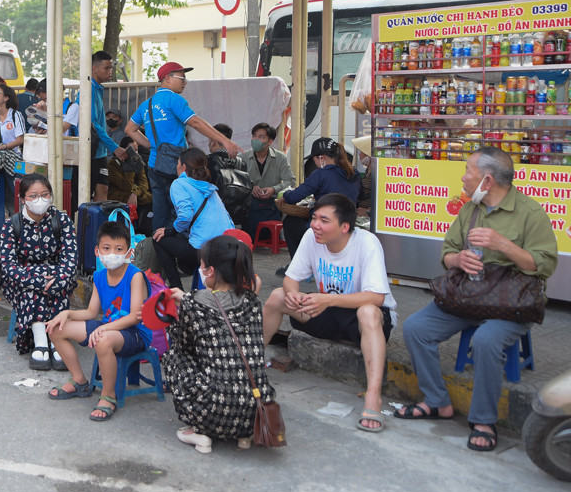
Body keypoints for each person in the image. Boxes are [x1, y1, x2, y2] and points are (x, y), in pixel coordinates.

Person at [395, 146, 557, 453]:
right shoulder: (470, 209)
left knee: (485, 340)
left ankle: (483, 421)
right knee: (416, 328)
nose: (462, 177)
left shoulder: (530, 213)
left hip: (511, 304)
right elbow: (447, 252)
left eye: (467, 171)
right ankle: (436, 401)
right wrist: (459, 260)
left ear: (487, 180)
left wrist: (503, 245)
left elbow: (545, 265)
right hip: (469, 296)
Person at [262, 193, 397, 432]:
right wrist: (293, 293)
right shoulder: (311, 237)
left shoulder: (367, 243)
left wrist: (328, 300)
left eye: (324, 220)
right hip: (325, 312)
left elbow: (377, 297)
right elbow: (291, 279)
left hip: (362, 321)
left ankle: (373, 397)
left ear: (345, 227)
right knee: (277, 297)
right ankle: (248, 365)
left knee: (368, 311)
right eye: (314, 218)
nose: (315, 225)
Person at [162, 235, 274, 452]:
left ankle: (199, 432)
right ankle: (243, 436)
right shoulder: (252, 300)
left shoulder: (193, 302)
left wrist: (177, 313)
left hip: (212, 411)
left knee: (173, 357)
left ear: (210, 271)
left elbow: (183, 345)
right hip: (256, 408)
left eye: (202, 266)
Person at [46, 220, 151, 421]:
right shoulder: (99, 276)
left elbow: (135, 316)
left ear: (129, 253)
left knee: (103, 340)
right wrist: (66, 314)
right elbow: (91, 312)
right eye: (107, 248)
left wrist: (105, 329)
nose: (112, 253)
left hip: (135, 333)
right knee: (56, 330)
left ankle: (108, 396)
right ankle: (79, 381)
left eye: (119, 249)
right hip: (110, 328)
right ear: (97, 251)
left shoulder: (134, 276)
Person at [125, 62, 239, 230]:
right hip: (176, 166)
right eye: (182, 78)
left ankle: (161, 250)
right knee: (179, 211)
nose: (185, 82)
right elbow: (195, 122)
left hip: (154, 165)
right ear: (167, 79)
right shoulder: (174, 99)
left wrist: (152, 146)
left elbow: (130, 129)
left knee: (160, 211)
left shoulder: (146, 105)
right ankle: (179, 249)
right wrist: (224, 140)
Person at [0, 174, 78, 367]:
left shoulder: (62, 220)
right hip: (20, 279)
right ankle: (42, 340)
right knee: (32, 289)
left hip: (56, 274)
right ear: (23, 198)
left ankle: (56, 340)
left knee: (56, 288)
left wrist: (58, 279)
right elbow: (8, 265)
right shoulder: (11, 225)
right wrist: (37, 281)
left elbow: (71, 256)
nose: (40, 200)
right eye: (33, 196)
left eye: (44, 194)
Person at [151, 148, 234, 289]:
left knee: (158, 238)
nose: (176, 167)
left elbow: (185, 215)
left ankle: (176, 288)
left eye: (177, 163)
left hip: (203, 251)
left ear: (183, 167)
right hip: (228, 247)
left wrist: (170, 231)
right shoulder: (210, 187)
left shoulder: (179, 184)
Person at [278, 137, 360, 273]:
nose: (314, 162)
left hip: (327, 227)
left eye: (314, 159)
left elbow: (294, 197)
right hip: (347, 226)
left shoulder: (321, 174)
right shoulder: (354, 173)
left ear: (321, 158)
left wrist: (284, 195)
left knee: (290, 222)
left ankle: (300, 267)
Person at [238, 122, 295, 237]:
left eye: (261, 137)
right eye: (254, 136)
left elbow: (290, 181)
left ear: (270, 141)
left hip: (271, 204)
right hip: (249, 204)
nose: (255, 140)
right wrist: (250, 187)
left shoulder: (280, 158)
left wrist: (274, 189)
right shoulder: (242, 157)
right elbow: (237, 180)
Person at [86, 51, 128, 202]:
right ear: (94, 68)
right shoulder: (88, 89)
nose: (110, 71)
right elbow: (92, 124)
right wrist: (114, 147)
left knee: (102, 194)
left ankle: (99, 226)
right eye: (106, 68)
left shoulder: (98, 88)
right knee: (86, 197)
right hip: (91, 153)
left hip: (101, 153)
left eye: (111, 68)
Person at [0, 83, 27, 204]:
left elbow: (20, 139)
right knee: (4, 196)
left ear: (6, 98)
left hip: (14, 158)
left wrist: (4, 147)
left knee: (15, 192)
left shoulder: (15, 115)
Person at [108, 136, 153, 236]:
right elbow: (125, 184)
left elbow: (144, 183)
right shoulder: (112, 164)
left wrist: (135, 193)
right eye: (132, 150)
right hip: (118, 195)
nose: (135, 153)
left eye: (136, 150)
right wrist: (131, 168)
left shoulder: (138, 162)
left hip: (134, 194)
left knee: (149, 197)